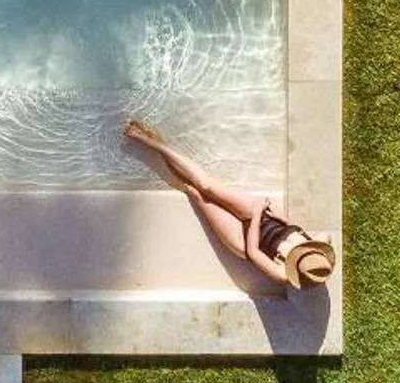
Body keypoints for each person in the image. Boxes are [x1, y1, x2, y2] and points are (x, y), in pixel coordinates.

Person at [124, 118, 336, 294]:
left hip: (244, 241)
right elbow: (305, 232)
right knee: (206, 185)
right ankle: (154, 144)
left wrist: (255, 215)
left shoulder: (283, 274)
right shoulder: (320, 242)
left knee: (196, 193)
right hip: (264, 218)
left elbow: (253, 253)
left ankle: (160, 150)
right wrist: (282, 218)